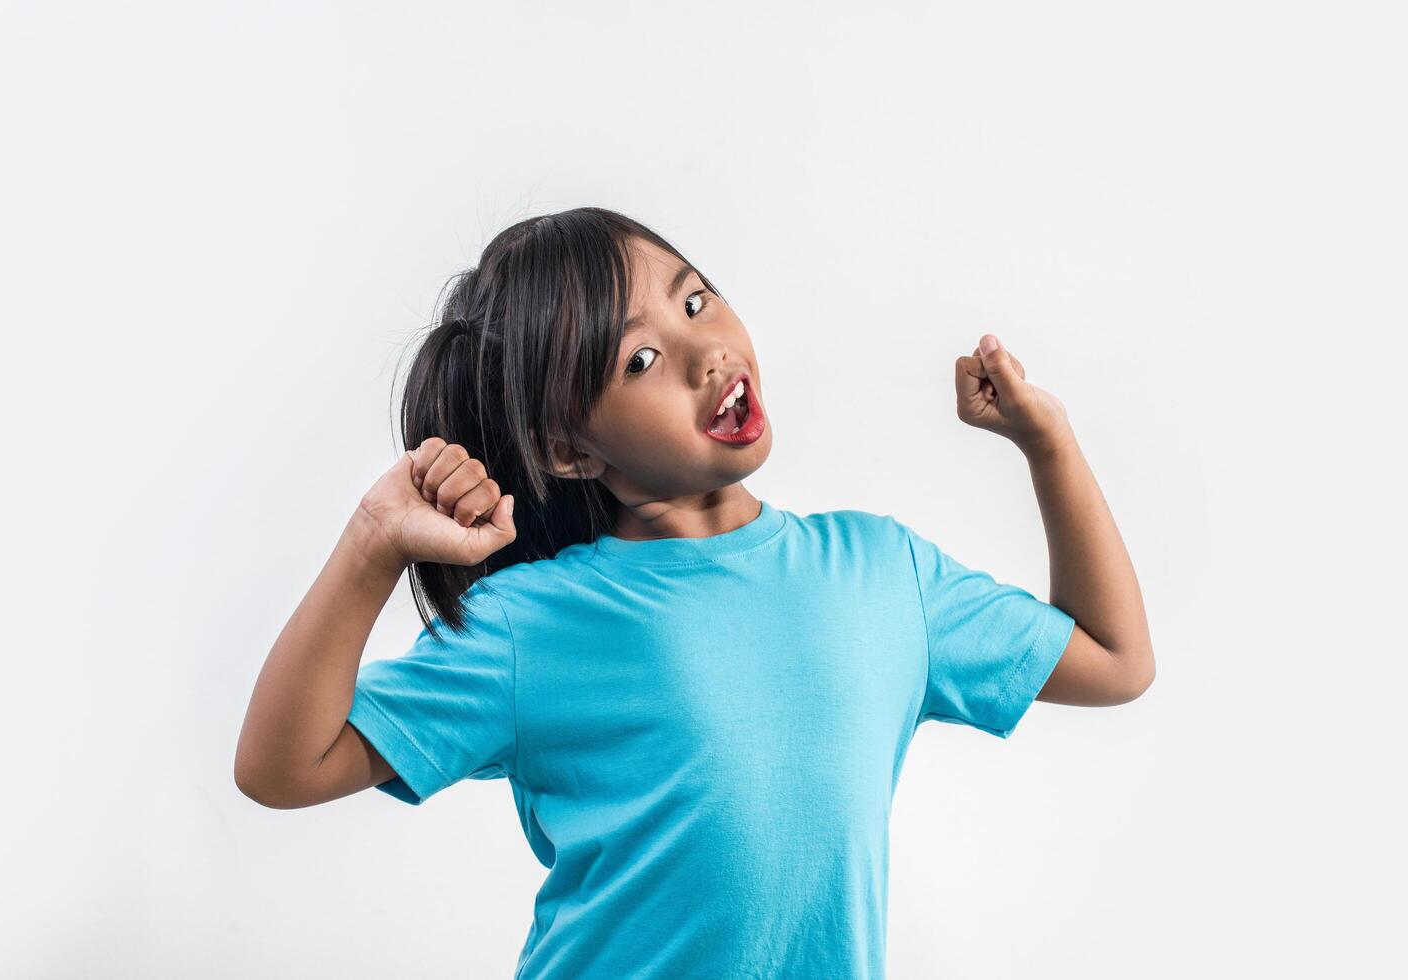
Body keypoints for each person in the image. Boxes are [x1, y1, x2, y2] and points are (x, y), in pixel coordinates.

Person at [234, 206, 1155, 979]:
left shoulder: (881, 575)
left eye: (695, 299)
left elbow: (1115, 663)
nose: (703, 352)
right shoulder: (536, 624)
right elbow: (282, 769)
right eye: (638, 360)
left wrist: (1049, 444)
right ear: (570, 451)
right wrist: (370, 547)